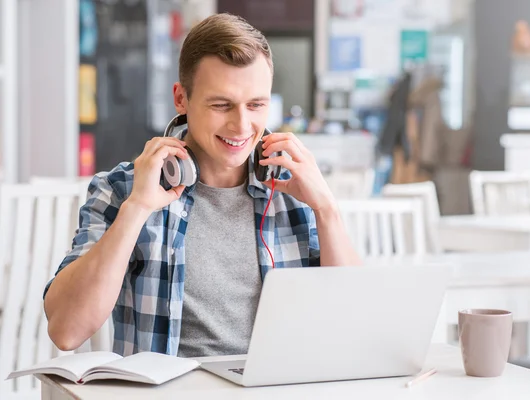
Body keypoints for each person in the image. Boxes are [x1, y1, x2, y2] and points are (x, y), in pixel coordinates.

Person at [43, 13, 361, 357]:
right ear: (181, 99)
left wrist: (326, 209)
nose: (241, 126)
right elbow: (66, 330)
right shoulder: (122, 189)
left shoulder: (293, 189)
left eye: (256, 105)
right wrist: (135, 210)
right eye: (221, 105)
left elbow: (355, 327)